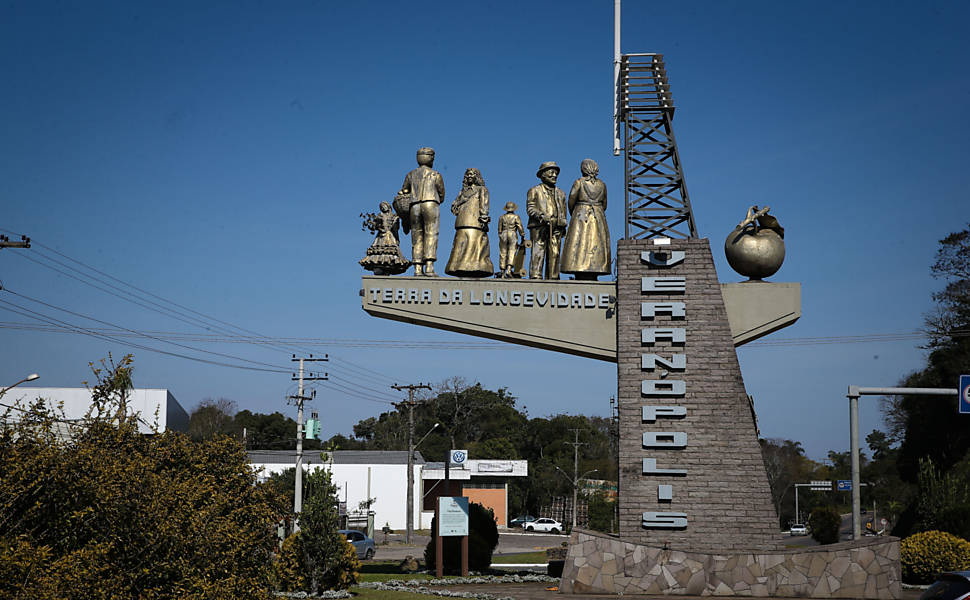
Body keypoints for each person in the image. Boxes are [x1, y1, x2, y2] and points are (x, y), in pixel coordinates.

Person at [561, 158, 611, 279]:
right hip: (598, 215)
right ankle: (594, 267)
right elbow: (605, 204)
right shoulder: (602, 185)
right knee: (597, 241)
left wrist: (575, 214)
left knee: (579, 243)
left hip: (581, 214)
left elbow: (571, 200)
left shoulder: (579, 182)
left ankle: (579, 267)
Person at [398, 147, 445, 276]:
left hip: (414, 206)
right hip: (430, 203)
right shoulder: (435, 175)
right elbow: (441, 194)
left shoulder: (411, 174)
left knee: (416, 236)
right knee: (431, 233)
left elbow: (403, 191)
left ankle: (417, 268)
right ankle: (429, 267)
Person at [445, 168, 494, 277]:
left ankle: (477, 266)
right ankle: (457, 266)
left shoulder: (482, 189)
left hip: (475, 221)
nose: (469, 176)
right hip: (462, 221)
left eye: (472, 174)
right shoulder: (462, 191)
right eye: (468, 174)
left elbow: (484, 204)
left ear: (477, 176)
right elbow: (455, 205)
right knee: (460, 244)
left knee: (474, 243)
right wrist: (455, 206)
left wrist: (484, 217)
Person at [526, 161, 567, 279]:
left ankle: (553, 278)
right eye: (551, 172)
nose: (555, 175)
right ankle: (536, 276)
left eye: (556, 173)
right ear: (543, 174)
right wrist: (541, 216)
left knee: (555, 253)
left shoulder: (561, 193)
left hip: (556, 226)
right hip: (539, 226)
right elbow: (530, 208)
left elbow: (563, 210)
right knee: (538, 251)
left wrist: (563, 224)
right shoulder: (534, 190)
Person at [359, 201, 409, 275]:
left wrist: (397, 238)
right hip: (381, 237)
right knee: (379, 254)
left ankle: (386, 269)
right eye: (381, 207)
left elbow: (395, 229)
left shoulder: (394, 217)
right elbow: (377, 226)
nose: (383, 208)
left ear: (388, 206)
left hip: (390, 236)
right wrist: (377, 226)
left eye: (384, 206)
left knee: (390, 253)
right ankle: (380, 267)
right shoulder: (380, 216)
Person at [497, 201, 525, 278]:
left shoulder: (501, 217)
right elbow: (520, 227)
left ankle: (502, 271)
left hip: (504, 234)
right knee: (512, 251)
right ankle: (509, 270)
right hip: (512, 233)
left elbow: (499, 230)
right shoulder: (516, 217)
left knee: (503, 252)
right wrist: (522, 236)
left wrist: (501, 236)